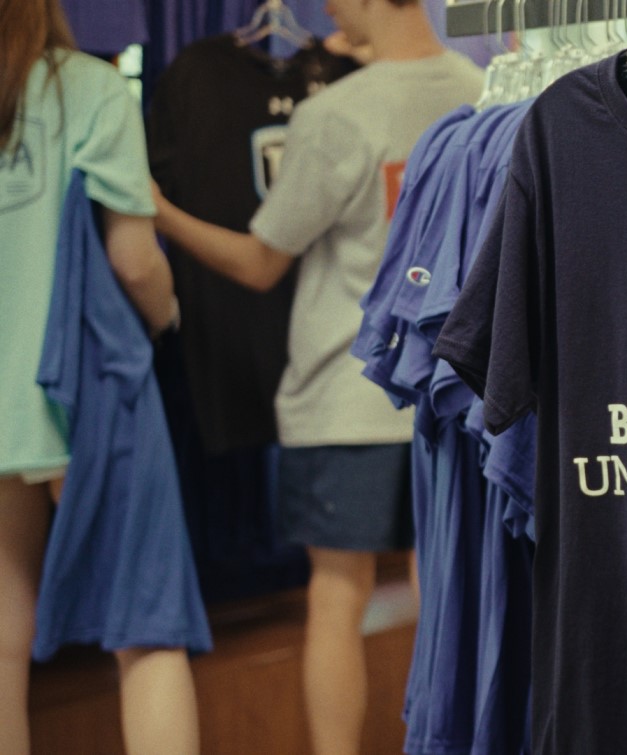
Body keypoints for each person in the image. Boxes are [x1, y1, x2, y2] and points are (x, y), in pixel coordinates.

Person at [152, 1, 485, 752]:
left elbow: (259, 260)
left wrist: (158, 211)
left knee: (338, 601)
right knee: (446, 595)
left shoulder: (333, 114)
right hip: (447, 392)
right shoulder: (478, 91)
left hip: (348, 393)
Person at [0, 1, 197, 754]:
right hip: (87, 389)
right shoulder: (89, 88)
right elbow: (134, 260)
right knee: (147, 632)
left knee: (2, 641)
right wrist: (166, 315)